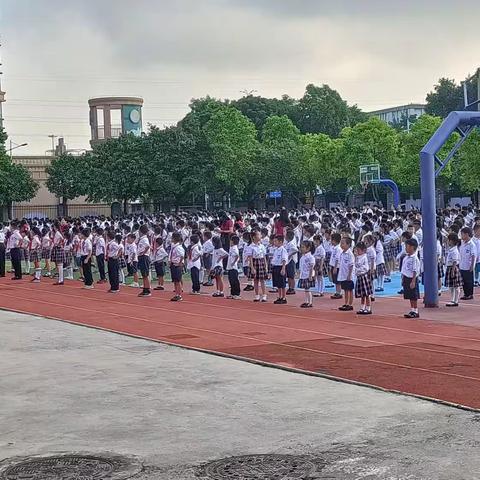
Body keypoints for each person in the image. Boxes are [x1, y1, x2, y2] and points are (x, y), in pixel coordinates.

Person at [401, 238, 421, 318]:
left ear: (412, 247)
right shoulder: (406, 258)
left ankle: (415, 311)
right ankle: (412, 309)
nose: (406, 248)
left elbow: (415, 270)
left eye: (407, 246)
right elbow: (403, 269)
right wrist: (402, 278)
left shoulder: (414, 259)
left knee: (413, 296)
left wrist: (413, 281)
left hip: (412, 278)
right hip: (406, 277)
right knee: (409, 295)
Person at [249, 230, 268, 302]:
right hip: (255, 262)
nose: (260, 236)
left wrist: (266, 266)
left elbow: (264, 257)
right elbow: (250, 258)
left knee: (262, 280)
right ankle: (257, 295)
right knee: (255, 280)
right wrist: (252, 267)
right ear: (254, 237)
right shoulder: (251, 246)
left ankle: (264, 295)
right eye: (259, 235)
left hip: (261, 262)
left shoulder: (262, 246)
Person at [354, 241, 373, 315]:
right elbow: (355, 265)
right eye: (356, 250)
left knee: (367, 294)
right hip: (359, 276)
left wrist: (358, 270)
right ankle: (362, 307)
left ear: (363, 250)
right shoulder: (357, 257)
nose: (357, 251)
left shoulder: (364, 257)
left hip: (364, 276)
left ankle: (368, 308)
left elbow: (365, 268)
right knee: (362, 294)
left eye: (358, 250)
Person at [444, 232, 462, 307]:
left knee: (455, 286)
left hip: (452, 268)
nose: (448, 241)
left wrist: (452, 271)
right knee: (452, 286)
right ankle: (453, 299)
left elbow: (455, 261)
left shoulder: (454, 251)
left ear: (452, 241)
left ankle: (455, 300)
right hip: (450, 267)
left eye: (448, 240)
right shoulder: (451, 249)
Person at [337, 237, 355, 311]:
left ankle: (350, 304)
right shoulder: (342, 253)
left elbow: (351, 265)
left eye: (343, 243)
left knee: (349, 290)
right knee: (345, 290)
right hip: (343, 274)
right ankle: (346, 303)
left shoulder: (349, 254)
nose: (341, 245)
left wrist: (349, 275)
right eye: (341, 243)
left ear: (348, 245)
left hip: (348, 275)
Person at [459, 226, 476, 301]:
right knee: (464, 281)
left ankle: (470, 294)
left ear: (467, 234)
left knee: (469, 281)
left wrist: (472, 266)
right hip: (462, 265)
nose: (461, 236)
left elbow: (473, 256)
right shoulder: (462, 243)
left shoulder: (472, 244)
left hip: (468, 265)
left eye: (462, 234)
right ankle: (466, 294)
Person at [297, 240, 315, 308]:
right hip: (303, 275)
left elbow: (311, 267)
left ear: (308, 248)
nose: (301, 249)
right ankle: (307, 301)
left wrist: (310, 276)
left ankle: (310, 302)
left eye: (303, 247)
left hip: (308, 275)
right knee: (306, 289)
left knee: (308, 289)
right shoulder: (303, 256)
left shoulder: (310, 257)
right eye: (301, 247)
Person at [271, 234, 288, 304]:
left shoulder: (283, 250)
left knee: (282, 283)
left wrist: (283, 268)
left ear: (280, 242)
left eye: (276, 241)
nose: (274, 243)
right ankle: (279, 296)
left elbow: (284, 259)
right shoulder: (276, 250)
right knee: (278, 283)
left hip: (280, 267)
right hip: (275, 266)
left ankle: (284, 297)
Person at [169, 232, 185, 302]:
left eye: (172, 238)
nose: (171, 239)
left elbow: (182, 255)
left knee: (178, 281)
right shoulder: (174, 246)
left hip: (177, 265)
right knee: (175, 281)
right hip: (173, 264)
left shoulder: (178, 247)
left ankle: (179, 295)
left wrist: (179, 263)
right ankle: (176, 294)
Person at [137, 224, 152, 297]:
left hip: (144, 257)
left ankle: (147, 290)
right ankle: (145, 288)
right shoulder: (142, 238)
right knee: (144, 274)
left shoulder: (144, 239)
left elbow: (148, 246)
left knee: (145, 274)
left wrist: (143, 252)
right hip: (142, 256)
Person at [51, 221, 66, 286]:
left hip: (58, 248)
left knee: (59, 265)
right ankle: (60, 279)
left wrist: (59, 244)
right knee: (59, 265)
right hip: (58, 248)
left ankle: (60, 280)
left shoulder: (57, 233)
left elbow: (62, 240)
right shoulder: (58, 233)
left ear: (55, 227)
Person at [226, 234, 241, 299]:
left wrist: (234, 262)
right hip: (230, 266)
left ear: (232, 241)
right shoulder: (231, 248)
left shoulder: (235, 248)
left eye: (230, 241)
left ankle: (236, 294)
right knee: (231, 280)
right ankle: (232, 293)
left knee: (235, 280)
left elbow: (237, 256)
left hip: (233, 267)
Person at [329, 232, 342, 300]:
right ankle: (337, 291)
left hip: (337, 266)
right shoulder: (334, 248)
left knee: (337, 280)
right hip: (333, 265)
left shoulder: (338, 248)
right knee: (335, 280)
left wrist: (335, 267)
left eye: (332, 240)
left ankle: (339, 292)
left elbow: (337, 258)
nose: (331, 242)